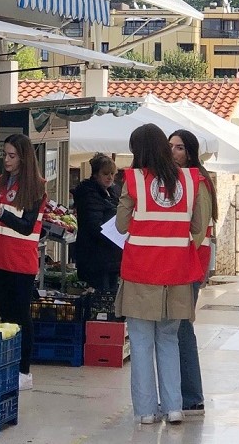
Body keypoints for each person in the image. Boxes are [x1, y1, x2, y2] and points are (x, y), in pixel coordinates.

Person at [115, 123, 206, 425]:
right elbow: (198, 228)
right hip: (178, 274)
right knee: (169, 341)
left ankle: (145, 411)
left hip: (141, 271)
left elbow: (121, 225)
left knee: (141, 343)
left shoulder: (135, 181)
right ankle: (174, 407)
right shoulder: (192, 180)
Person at [0, 134, 46, 390]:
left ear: (23, 157)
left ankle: (24, 371)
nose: (6, 160)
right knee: (6, 315)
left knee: (21, 316)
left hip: (20, 260)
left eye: (12, 156)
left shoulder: (36, 186)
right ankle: (9, 365)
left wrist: (2, 214)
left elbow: (27, 225)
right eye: (5, 155)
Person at [169, 129, 216, 417]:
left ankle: (192, 395)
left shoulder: (197, 181)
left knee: (182, 327)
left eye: (179, 148)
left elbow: (198, 230)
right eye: (170, 147)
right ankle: (187, 394)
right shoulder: (183, 180)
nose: (172, 152)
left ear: (190, 153)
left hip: (191, 261)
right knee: (178, 327)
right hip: (187, 260)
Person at [70, 153, 122, 292]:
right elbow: (94, 226)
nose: (110, 177)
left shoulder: (111, 192)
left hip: (109, 257)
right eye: (105, 174)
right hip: (96, 257)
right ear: (96, 174)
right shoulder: (90, 194)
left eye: (112, 174)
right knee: (101, 298)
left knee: (109, 297)